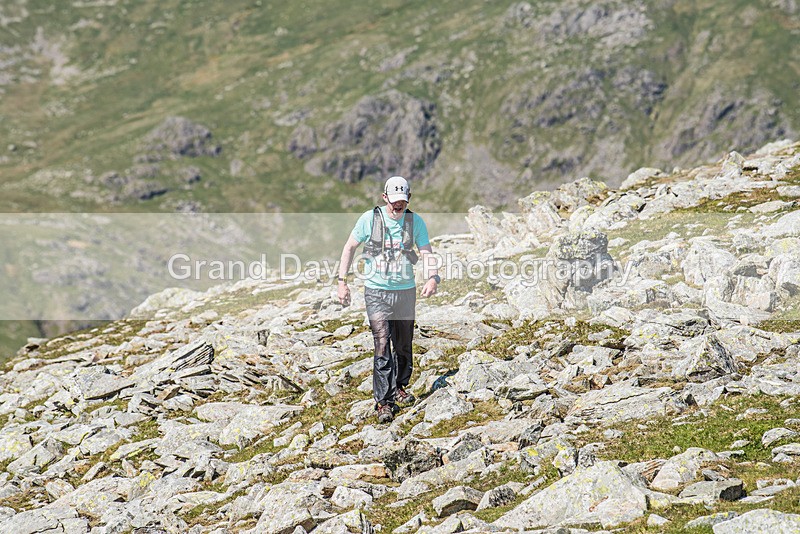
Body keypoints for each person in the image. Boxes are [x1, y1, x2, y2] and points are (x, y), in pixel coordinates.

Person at [337, 176, 440, 424]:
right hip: (376, 291)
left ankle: (400, 386)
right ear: (385, 198)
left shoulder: (415, 222)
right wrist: (342, 281)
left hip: (405, 291)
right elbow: (349, 247)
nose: (398, 207)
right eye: (394, 202)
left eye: (402, 202)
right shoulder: (369, 219)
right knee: (382, 342)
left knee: (404, 344)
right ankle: (383, 402)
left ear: (409, 199)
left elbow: (426, 252)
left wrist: (433, 277)